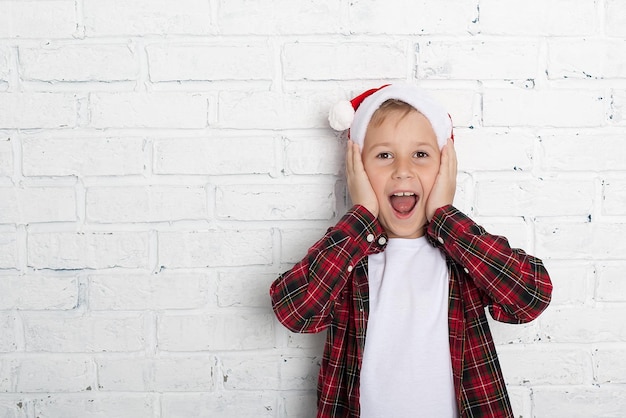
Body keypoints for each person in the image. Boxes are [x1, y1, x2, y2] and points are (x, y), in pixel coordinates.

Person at [269, 84, 552, 418]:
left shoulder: (462, 258)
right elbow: (294, 310)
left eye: (420, 154)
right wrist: (361, 216)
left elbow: (530, 297)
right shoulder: (349, 258)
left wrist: (445, 216)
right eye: (384, 155)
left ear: (445, 166)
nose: (402, 170)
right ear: (358, 169)